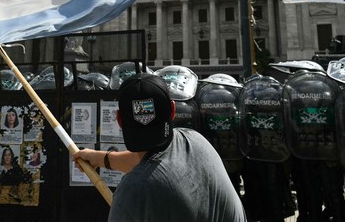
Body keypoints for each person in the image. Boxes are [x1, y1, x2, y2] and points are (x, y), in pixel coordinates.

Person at [74, 73, 246, 222]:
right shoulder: (193, 140)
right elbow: (148, 165)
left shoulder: (134, 191)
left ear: (119, 119)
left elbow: (148, 172)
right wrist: (100, 158)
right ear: (172, 110)